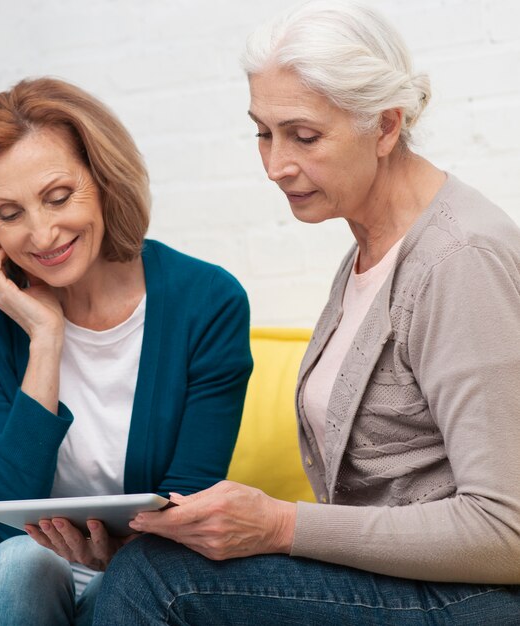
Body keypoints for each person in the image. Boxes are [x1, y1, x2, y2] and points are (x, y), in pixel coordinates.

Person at [90, 2, 520, 624]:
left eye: (304, 136)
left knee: (159, 580)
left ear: (386, 126)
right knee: (150, 557)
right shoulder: (371, 249)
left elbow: (507, 528)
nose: (274, 166)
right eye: (263, 133)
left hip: (477, 601)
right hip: (405, 586)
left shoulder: (459, 259)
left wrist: (281, 525)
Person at [0, 76, 253, 626]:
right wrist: (46, 341)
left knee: (135, 589)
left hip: (144, 573)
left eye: (58, 198)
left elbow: (189, 502)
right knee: (31, 565)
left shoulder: (207, 302)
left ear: (104, 180)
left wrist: (124, 560)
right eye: (9, 214)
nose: (41, 234)